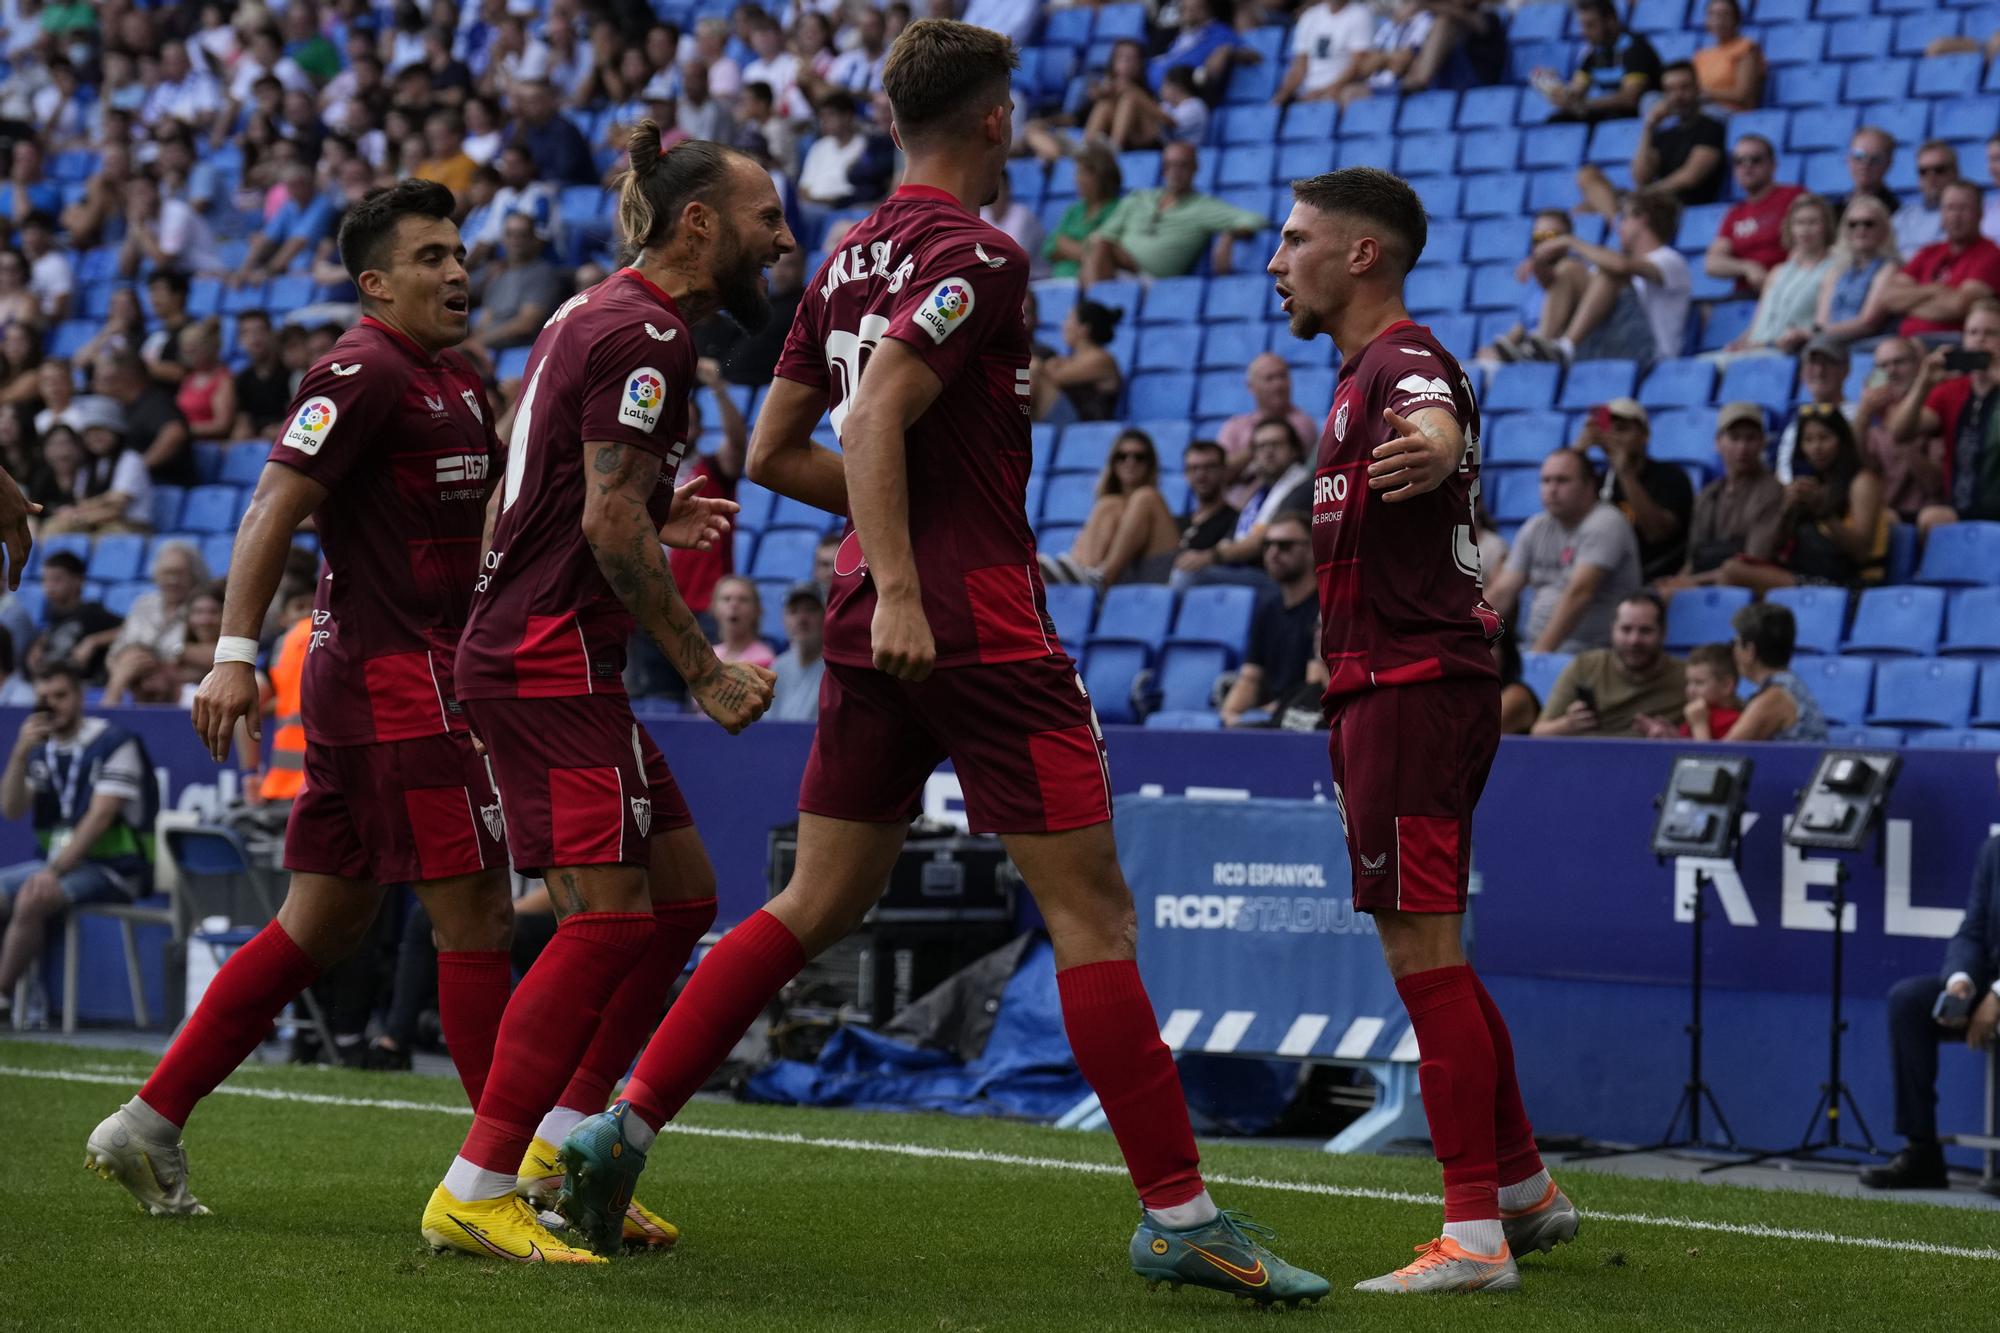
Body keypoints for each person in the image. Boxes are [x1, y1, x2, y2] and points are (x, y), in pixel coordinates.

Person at [563, 22, 1326, 1303]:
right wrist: (915, 573)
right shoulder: (979, 252)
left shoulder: (845, 257)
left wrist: (881, 546)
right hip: (967, 619)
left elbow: (775, 451)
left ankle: (618, 1127)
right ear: (993, 118)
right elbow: (869, 419)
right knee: (1092, 915)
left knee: (814, 903)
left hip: (867, 617)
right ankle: (1181, 1216)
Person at [81, 181, 522, 1225]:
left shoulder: (453, 376)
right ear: (374, 283)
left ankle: (148, 1120)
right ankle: (499, 1177)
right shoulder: (359, 370)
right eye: (429, 257)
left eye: (460, 252)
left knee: (322, 920)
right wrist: (233, 656)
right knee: (478, 915)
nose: (457, 271)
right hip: (393, 679)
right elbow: (275, 501)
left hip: (406, 672)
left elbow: (492, 513)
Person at [424, 131, 782, 1265]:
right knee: (614, 917)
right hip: (547, 656)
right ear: (698, 225)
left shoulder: (596, 310)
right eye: (765, 218)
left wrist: (647, 510)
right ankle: (476, 1184)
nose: (781, 237)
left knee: (678, 898)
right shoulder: (648, 332)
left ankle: (564, 1156)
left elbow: (567, 489)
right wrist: (706, 666)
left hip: (548, 642)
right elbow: (602, 517)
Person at [1270, 164, 1575, 1294]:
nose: (1273, 259)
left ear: (1360, 254)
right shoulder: (1358, 375)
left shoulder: (1399, 361)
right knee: (1435, 950)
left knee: (1422, 955)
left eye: (1294, 238)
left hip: (1407, 685)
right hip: (1407, 682)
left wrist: (1443, 443)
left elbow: (1435, 413)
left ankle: (1471, 1237)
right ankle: (1520, 1189)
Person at [1863, 785, 2000, 1192]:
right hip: (1989, 984)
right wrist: (1961, 983)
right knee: (1909, 1001)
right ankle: (1922, 1150)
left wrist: (1997, 997)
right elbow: (1972, 931)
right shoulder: (1994, 850)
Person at [0, 662, 158, 1013]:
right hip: (59, 865)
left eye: (60, 695)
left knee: (31, 897)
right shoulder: (40, 748)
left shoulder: (115, 742)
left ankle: (4, 994)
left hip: (117, 869)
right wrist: (18, 754)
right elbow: (11, 809)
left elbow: (101, 817)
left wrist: (53, 872)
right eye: (44, 697)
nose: (51, 704)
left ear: (80, 696)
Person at [1486, 448, 1643, 655]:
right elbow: (1502, 592)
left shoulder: (1607, 522)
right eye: (1546, 481)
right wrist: (1463, 638)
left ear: (1589, 485)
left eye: (1562, 480)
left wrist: (1539, 657)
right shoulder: (1536, 526)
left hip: (1592, 654)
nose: (1552, 489)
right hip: (1534, 645)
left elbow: (1579, 594)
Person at [1512, 188, 1689, 371]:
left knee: (1609, 273)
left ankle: (1566, 346)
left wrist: (1570, 241)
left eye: (1625, 218)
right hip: (1608, 343)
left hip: (1650, 353)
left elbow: (1621, 267)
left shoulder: (1670, 260)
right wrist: (1539, 264)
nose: (1620, 227)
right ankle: (1543, 347)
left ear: (1642, 219)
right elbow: (1561, 285)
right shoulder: (1615, 261)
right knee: (1569, 268)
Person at [1719, 406, 1886, 592]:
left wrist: (1822, 512)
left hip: (1848, 584)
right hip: (1807, 573)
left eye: (1824, 438)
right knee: (1733, 568)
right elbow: (1771, 552)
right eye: (1808, 440)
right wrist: (1786, 511)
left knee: (1733, 572)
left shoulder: (1861, 482)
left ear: (1842, 440)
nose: (1816, 447)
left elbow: (1861, 552)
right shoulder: (1811, 484)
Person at [1078, 142, 1266, 283]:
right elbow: (1100, 236)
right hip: (1114, 270)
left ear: (1195, 168)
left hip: (1151, 282)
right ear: (1163, 169)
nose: (1175, 172)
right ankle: (1091, 308)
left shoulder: (1204, 206)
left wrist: (1230, 235)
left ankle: (1090, 312)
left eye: (1182, 165)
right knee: (1098, 244)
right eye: (1169, 165)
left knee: (1100, 246)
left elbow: (1255, 220)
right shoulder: (1139, 198)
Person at [1888, 298, 2000, 529]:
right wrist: (1923, 383)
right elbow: (1900, 432)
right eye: (1972, 332)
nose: (1980, 339)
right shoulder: (1951, 391)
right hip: (1961, 508)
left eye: (1990, 333)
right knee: (1927, 520)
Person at [1173, 415, 1313, 587]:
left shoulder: (1303, 487)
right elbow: (1230, 539)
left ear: (1295, 450)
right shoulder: (1260, 494)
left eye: (1276, 444)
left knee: (1188, 577)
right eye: (1261, 446)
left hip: (1275, 576)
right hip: (1244, 571)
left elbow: (1261, 541)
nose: (1268, 451)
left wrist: (1210, 557)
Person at [1577, 61, 1723, 220]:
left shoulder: (1711, 127)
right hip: (1651, 203)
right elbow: (1640, 176)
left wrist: (1644, 194)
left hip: (1679, 208)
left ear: (1697, 88)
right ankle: (1619, 224)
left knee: (1599, 206)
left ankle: (1621, 225)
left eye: (1684, 87)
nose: (1678, 95)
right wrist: (1648, 127)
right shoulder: (1665, 134)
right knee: (1586, 187)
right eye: (1670, 90)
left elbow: (1689, 177)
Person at [1532, 592, 1686, 738]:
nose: (1634, 640)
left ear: (1663, 633)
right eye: (1626, 629)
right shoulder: (1585, 666)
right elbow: (1538, 733)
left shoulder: (1686, 677)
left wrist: (1675, 740)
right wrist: (1567, 725)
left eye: (1645, 631)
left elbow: (1704, 741)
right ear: (1613, 630)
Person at [1665, 402, 1787, 584]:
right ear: (1718, 442)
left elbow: (1753, 562)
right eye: (1734, 438)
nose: (1742, 447)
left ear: (1762, 442)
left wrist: (1690, 583)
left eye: (1750, 438)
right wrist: (1677, 581)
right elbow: (1694, 558)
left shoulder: (1771, 491)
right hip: (1704, 581)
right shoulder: (1707, 494)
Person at [1041, 429, 1182, 587]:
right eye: (1122, 456)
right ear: (1113, 463)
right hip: (1121, 580)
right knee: (1109, 504)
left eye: (1139, 457)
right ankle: (1086, 578)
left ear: (1150, 464)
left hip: (1157, 572)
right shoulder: (1109, 506)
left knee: (1145, 496)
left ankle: (1098, 579)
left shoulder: (1152, 500)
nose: (1130, 462)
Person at [1218, 513, 1319, 726]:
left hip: (1305, 717)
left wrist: (1270, 712)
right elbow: (1250, 677)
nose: (1273, 553)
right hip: (1274, 714)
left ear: (1312, 549)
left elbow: (1314, 686)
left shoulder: (1324, 608)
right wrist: (1229, 715)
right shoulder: (1268, 607)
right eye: (1267, 545)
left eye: (1285, 546)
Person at [1580, 398, 1693, 581]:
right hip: (1603, 574)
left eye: (1622, 429)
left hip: (1652, 576)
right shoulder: (1601, 480)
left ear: (1645, 435)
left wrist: (1625, 473)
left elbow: (1657, 533)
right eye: (1609, 430)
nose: (1614, 437)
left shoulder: (1671, 476)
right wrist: (1579, 452)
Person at [1878, 180, 2000, 341]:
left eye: (1963, 208)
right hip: (1907, 341)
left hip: (1955, 343)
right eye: (1950, 208)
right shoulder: (1929, 251)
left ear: (1980, 212)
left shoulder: (1991, 255)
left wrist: (1907, 305)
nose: (1955, 216)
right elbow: (1888, 297)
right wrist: (1934, 290)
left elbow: (1957, 306)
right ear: (1941, 213)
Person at [1719, 193, 1835, 358]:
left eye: (1813, 222)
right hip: (1755, 349)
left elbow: (1827, 324)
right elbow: (1757, 323)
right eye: (1799, 223)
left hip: (1790, 352)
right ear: (1790, 227)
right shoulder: (1777, 272)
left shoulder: (1833, 269)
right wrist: (1740, 343)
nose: (1805, 229)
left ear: (1826, 226)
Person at [101, 541, 207, 707]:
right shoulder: (143, 605)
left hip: (188, 694)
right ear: (156, 575)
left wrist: (170, 658)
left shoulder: (203, 609)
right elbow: (114, 656)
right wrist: (125, 671)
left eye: (179, 573)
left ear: (193, 576)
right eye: (166, 573)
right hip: (139, 690)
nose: (172, 580)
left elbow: (211, 660)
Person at [1705, 601, 1826, 741]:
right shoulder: (1788, 687)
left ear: (1749, 651)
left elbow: (1720, 758)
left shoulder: (1774, 699)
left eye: (1735, 643)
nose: (1733, 651)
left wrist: (1699, 724)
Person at [1857, 336, 1946, 522]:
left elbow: (1936, 485)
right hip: (1886, 513)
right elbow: (1856, 473)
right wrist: (1863, 416)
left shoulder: (1935, 410)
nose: (1891, 371)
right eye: (1882, 366)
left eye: (1899, 362)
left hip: (1925, 515)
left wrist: (1901, 434)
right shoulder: (1873, 419)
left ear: (1918, 366)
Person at [1481, 211, 1588, 365]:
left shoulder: (1574, 271)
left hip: (1555, 360)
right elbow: (1522, 327)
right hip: (1529, 354)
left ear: (1566, 239)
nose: (1544, 244)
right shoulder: (1534, 282)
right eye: (1538, 238)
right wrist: (1493, 351)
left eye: (1551, 237)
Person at [1705, 135, 1803, 296]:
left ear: (1773, 165)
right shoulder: (1735, 214)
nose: (1747, 166)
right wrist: (1747, 267)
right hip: (1746, 295)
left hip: (1788, 289)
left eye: (1755, 159)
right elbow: (1712, 263)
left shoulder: (1794, 197)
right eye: (1739, 161)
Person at [1217, 353, 1319, 508]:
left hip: (1282, 510)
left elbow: (1283, 467)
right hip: (1234, 514)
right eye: (1270, 378)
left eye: (1283, 377)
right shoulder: (1234, 426)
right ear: (1251, 387)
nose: (1278, 385)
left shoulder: (1302, 423)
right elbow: (1220, 473)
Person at [1535, 0, 1660, 125]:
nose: (1584, 32)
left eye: (1590, 25)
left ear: (1610, 21)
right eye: (1582, 26)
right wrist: (1555, 86)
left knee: (1611, 119)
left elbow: (1630, 99)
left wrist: (1585, 105)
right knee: (1557, 120)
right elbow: (1576, 92)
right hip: (1610, 112)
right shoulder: (1592, 53)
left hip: (1637, 114)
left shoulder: (1635, 48)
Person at [468, 214, 567, 351]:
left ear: (534, 239)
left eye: (522, 235)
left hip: (520, 351)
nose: (515, 240)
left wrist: (477, 342)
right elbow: (486, 317)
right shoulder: (498, 272)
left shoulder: (542, 273)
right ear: (503, 239)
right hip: (487, 349)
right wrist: (473, 342)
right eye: (510, 234)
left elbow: (526, 325)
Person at [1816, 193, 1899, 347]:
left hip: (1863, 343)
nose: (1860, 229)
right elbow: (1821, 320)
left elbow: (1868, 323)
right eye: (1853, 224)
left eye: (1868, 223)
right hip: (1829, 341)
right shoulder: (1836, 270)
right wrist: (1819, 335)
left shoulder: (1889, 268)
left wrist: (1819, 335)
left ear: (1884, 229)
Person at [1772, 335, 1859, 482]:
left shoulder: (1859, 415)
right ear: (1802, 373)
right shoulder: (1795, 422)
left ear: (1846, 370)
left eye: (1828, 363)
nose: (1819, 371)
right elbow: (1782, 474)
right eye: (1812, 363)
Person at [238, 163, 336, 286]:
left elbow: (298, 242)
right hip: (290, 271)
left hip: (312, 271)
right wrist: (244, 270)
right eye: (290, 185)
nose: (294, 189)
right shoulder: (289, 206)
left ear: (309, 183)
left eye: (298, 184)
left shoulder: (322, 204)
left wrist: (267, 272)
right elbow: (266, 238)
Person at [26, 550, 120, 678]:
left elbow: (129, 629)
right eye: (45, 580)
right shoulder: (54, 615)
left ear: (78, 581)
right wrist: (39, 645)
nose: (49, 587)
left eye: (56, 579)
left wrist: (93, 641)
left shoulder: (91, 612)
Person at [1040, 143, 1121, 280]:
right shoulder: (1074, 211)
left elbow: (1101, 253)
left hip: (1090, 281)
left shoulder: (1117, 209)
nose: (1077, 179)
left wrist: (1065, 245)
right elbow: (1049, 248)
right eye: (1077, 173)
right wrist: (1082, 251)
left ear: (1101, 176)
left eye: (1083, 173)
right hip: (1059, 282)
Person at [1271, 0, 1374, 107]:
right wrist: (1282, 95)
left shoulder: (1360, 14)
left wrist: (1328, 89)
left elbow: (1358, 63)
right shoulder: (1309, 17)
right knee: (1280, 104)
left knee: (1352, 94)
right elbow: (1299, 66)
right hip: (1310, 90)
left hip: (1342, 86)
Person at [1037, 299, 1122, 424]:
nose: (1064, 326)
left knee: (1033, 373)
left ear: (1084, 329)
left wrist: (1042, 366)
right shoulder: (1074, 359)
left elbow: (1053, 376)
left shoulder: (1102, 359)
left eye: (1069, 319)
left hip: (1086, 425)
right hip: (1068, 418)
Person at [1690, 0, 1761, 113]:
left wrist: (1707, 94)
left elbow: (1743, 95)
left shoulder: (1745, 48)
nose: (1718, 20)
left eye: (1725, 14)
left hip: (1730, 112)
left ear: (1736, 19)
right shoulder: (1700, 56)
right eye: (1712, 15)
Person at [231, 310, 294, 438]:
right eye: (246, 332)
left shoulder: (290, 373)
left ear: (271, 334)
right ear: (240, 340)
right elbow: (243, 420)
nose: (254, 337)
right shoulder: (242, 379)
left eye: (260, 330)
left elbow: (297, 416)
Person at [1175, 440, 1240, 561]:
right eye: (1194, 468)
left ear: (1224, 471)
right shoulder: (1176, 523)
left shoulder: (1237, 521)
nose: (1201, 474)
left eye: (1209, 467)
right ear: (1185, 474)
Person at [770, 581, 825, 722]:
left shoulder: (837, 669)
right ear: (784, 619)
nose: (802, 619)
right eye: (793, 611)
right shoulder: (778, 667)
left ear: (826, 616)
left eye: (810, 610)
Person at [1893, 141, 1958, 259]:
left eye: (1939, 170)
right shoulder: (1903, 217)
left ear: (1955, 172)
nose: (1931, 177)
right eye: (1923, 172)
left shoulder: (1967, 216)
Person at [173, 319, 236, 440]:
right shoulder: (189, 378)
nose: (189, 356)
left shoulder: (223, 380)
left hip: (209, 446)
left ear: (209, 348)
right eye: (186, 351)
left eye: (193, 350)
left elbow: (222, 424)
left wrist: (185, 430)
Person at [710, 574, 776, 667]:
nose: (734, 604)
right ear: (714, 608)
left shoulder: (764, 659)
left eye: (743, 600)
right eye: (727, 599)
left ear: (756, 610)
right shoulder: (710, 655)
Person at [1840, 126, 1901, 226]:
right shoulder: (1835, 210)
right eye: (1858, 156)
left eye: (1875, 159)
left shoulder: (1896, 214)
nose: (1865, 164)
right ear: (1848, 159)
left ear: (1888, 163)